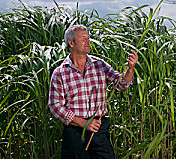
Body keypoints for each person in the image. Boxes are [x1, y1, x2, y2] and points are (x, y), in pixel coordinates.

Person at [49, 24, 138, 158]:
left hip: (99, 129)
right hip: (74, 132)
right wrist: (84, 123)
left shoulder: (99, 65)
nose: (88, 41)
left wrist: (130, 68)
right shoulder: (60, 73)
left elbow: (122, 84)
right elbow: (55, 106)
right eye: (83, 38)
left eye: (88, 38)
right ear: (71, 43)